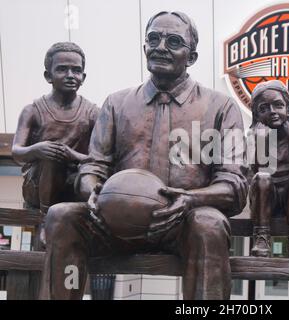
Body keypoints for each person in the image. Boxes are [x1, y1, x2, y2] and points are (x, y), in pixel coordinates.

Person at [40, 11, 248, 300]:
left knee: (208, 224)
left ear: (192, 57)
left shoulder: (222, 107)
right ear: (144, 48)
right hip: (115, 219)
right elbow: (93, 167)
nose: (160, 46)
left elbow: (234, 186)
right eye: (154, 38)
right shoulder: (116, 103)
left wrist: (190, 199)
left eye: (174, 41)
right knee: (62, 215)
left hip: (182, 223)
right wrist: (93, 192)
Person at [12, 42, 98, 243]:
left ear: (83, 78)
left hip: (74, 183)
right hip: (39, 185)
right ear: (48, 76)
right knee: (51, 157)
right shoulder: (32, 110)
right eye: (62, 69)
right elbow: (16, 151)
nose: (70, 75)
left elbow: (99, 158)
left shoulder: (93, 113)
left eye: (76, 70)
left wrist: (71, 155)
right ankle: (45, 221)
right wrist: (37, 149)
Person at [248, 80, 289, 258]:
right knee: (262, 177)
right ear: (257, 115)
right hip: (266, 199)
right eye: (264, 108)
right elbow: (255, 170)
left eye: (278, 105)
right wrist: (260, 141)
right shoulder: (255, 136)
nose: (272, 112)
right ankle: (262, 236)